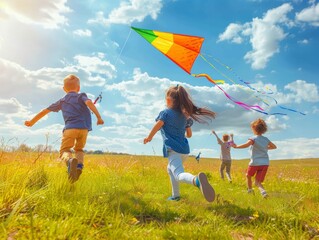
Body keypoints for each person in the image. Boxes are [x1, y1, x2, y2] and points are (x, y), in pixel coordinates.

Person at [25, 74, 104, 183]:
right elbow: (89, 103)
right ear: (79, 88)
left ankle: (70, 161)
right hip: (84, 129)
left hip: (70, 129)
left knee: (65, 150)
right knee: (79, 149)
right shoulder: (82, 96)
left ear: (64, 89)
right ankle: (79, 167)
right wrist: (99, 117)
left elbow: (45, 111)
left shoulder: (62, 101)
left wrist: (32, 121)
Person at [144, 85, 216, 202]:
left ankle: (196, 180)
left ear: (168, 100)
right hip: (184, 151)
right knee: (170, 170)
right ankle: (175, 196)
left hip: (174, 150)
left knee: (178, 174)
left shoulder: (165, 113)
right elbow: (189, 135)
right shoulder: (185, 116)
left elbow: (157, 126)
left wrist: (149, 137)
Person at [232, 118, 276, 198]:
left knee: (248, 176)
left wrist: (236, 147)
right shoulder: (266, 139)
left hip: (255, 163)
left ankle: (250, 190)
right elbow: (274, 147)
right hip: (265, 163)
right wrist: (265, 148)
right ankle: (263, 192)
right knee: (258, 182)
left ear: (254, 128)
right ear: (264, 129)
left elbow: (246, 145)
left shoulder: (253, 138)